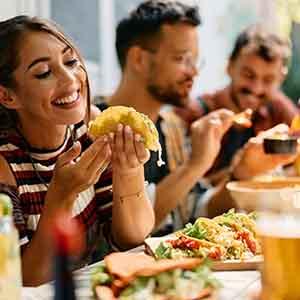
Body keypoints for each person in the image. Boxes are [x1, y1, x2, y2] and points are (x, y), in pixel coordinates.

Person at [0, 16, 155, 286]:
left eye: (71, 62)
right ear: (7, 96)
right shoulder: (4, 166)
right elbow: (24, 281)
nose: (70, 79)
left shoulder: (90, 128)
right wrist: (62, 198)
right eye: (44, 73)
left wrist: (129, 171)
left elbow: (131, 239)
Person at [92, 0, 235, 234]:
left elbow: (194, 212)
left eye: (194, 60)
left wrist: (242, 171)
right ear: (139, 59)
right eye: (181, 59)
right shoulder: (95, 128)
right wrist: (194, 166)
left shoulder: (172, 127)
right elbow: (124, 235)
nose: (194, 72)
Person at [174, 25, 299, 215]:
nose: (256, 88)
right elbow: (184, 199)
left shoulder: (279, 111)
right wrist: (243, 168)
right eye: (248, 75)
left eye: (268, 80)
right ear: (230, 66)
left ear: (280, 79)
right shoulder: (193, 115)